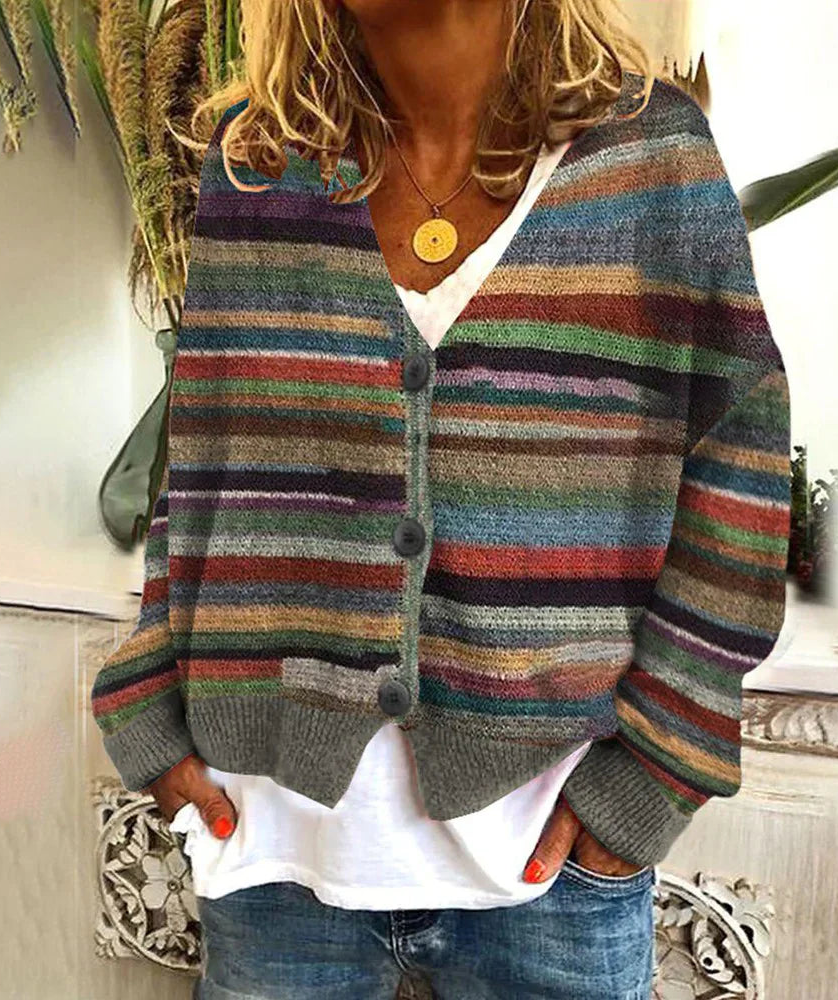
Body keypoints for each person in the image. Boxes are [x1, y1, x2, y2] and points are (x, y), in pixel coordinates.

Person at [91, 2, 792, 997]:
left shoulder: (649, 165)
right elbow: (207, 469)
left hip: (551, 875)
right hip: (273, 854)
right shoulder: (255, 170)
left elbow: (738, 466)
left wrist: (659, 766)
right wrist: (147, 703)